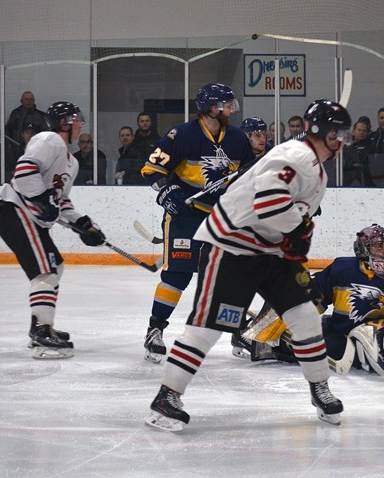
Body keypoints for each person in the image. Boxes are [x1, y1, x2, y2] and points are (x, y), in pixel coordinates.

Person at [144, 99, 351, 432]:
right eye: (338, 134)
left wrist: (296, 243)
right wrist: (298, 230)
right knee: (209, 326)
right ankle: (167, 397)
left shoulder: (318, 171)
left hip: (271, 252)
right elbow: (269, 203)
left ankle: (319, 388)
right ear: (322, 133)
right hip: (232, 248)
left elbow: (291, 218)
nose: (342, 141)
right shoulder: (294, 157)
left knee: (306, 317)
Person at [231, 223, 384, 381]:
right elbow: (313, 297)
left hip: (383, 327)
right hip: (339, 334)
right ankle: (257, 337)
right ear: (362, 248)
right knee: (303, 332)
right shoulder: (343, 269)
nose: (382, 251)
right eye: (376, 246)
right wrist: (291, 319)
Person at [139, 83, 255, 365]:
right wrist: (168, 191)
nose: (231, 109)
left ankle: (237, 331)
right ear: (211, 108)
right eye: (227, 104)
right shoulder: (183, 135)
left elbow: (252, 177)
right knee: (178, 275)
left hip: (221, 218)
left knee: (232, 277)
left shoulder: (238, 139)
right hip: (186, 217)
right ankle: (155, 330)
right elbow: (151, 168)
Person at [0, 101, 106, 359]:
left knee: (55, 268)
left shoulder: (71, 162)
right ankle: (41, 331)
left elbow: (60, 201)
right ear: (65, 122)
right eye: (77, 120)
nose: (80, 125)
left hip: (30, 217)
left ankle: (43, 325)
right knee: (45, 270)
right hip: (17, 212)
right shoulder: (49, 140)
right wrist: (42, 199)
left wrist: (85, 225)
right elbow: (24, 171)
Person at [5, 91, 47, 166]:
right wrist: (9, 145)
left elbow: (45, 134)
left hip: (35, 151)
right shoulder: (15, 113)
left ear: (34, 101)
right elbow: (8, 130)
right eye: (26, 99)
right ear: (21, 101)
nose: (28, 101)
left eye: (31, 99)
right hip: (16, 150)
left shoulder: (41, 116)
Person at [336, 116, 373, 187]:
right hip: (344, 180)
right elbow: (341, 163)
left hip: (364, 181)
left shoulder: (370, 145)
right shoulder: (344, 145)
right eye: (359, 130)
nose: (361, 133)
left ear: (367, 133)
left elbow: (363, 161)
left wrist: (351, 148)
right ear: (353, 131)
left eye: (364, 131)